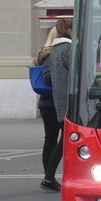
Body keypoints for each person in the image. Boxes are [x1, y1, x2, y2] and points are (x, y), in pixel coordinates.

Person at [36, 19, 72, 191]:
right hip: (66, 101)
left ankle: (49, 177)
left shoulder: (55, 50)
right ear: (69, 31)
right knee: (64, 141)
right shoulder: (67, 49)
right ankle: (49, 177)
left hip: (56, 102)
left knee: (56, 140)